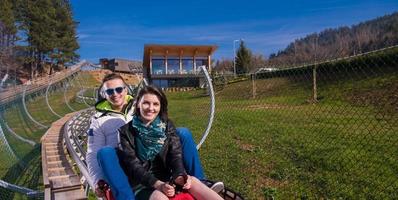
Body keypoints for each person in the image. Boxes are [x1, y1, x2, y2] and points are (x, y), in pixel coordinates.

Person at [86, 73, 222, 200]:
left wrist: (179, 173)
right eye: (110, 91)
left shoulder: (142, 105)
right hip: (124, 161)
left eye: (119, 89)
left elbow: (174, 149)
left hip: (155, 162)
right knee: (105, 152)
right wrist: (97, 180)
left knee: (183, 133)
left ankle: (201, 181)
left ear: (126, 90)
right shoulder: (100, 120)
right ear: (104, 94)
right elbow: (92, 153)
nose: (115, 94)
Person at [117, 85, 223, 200]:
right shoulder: (125, 132)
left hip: (167, 178)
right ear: (138, 104)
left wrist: (179, 175)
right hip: (141, 183)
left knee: (194, 182)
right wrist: (158, 184)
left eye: (155, 104)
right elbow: (134, 166)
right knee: (159, 197)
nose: (150, 108)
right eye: (146, 103)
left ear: (160, 106)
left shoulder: (167, 125)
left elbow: (175, 154)